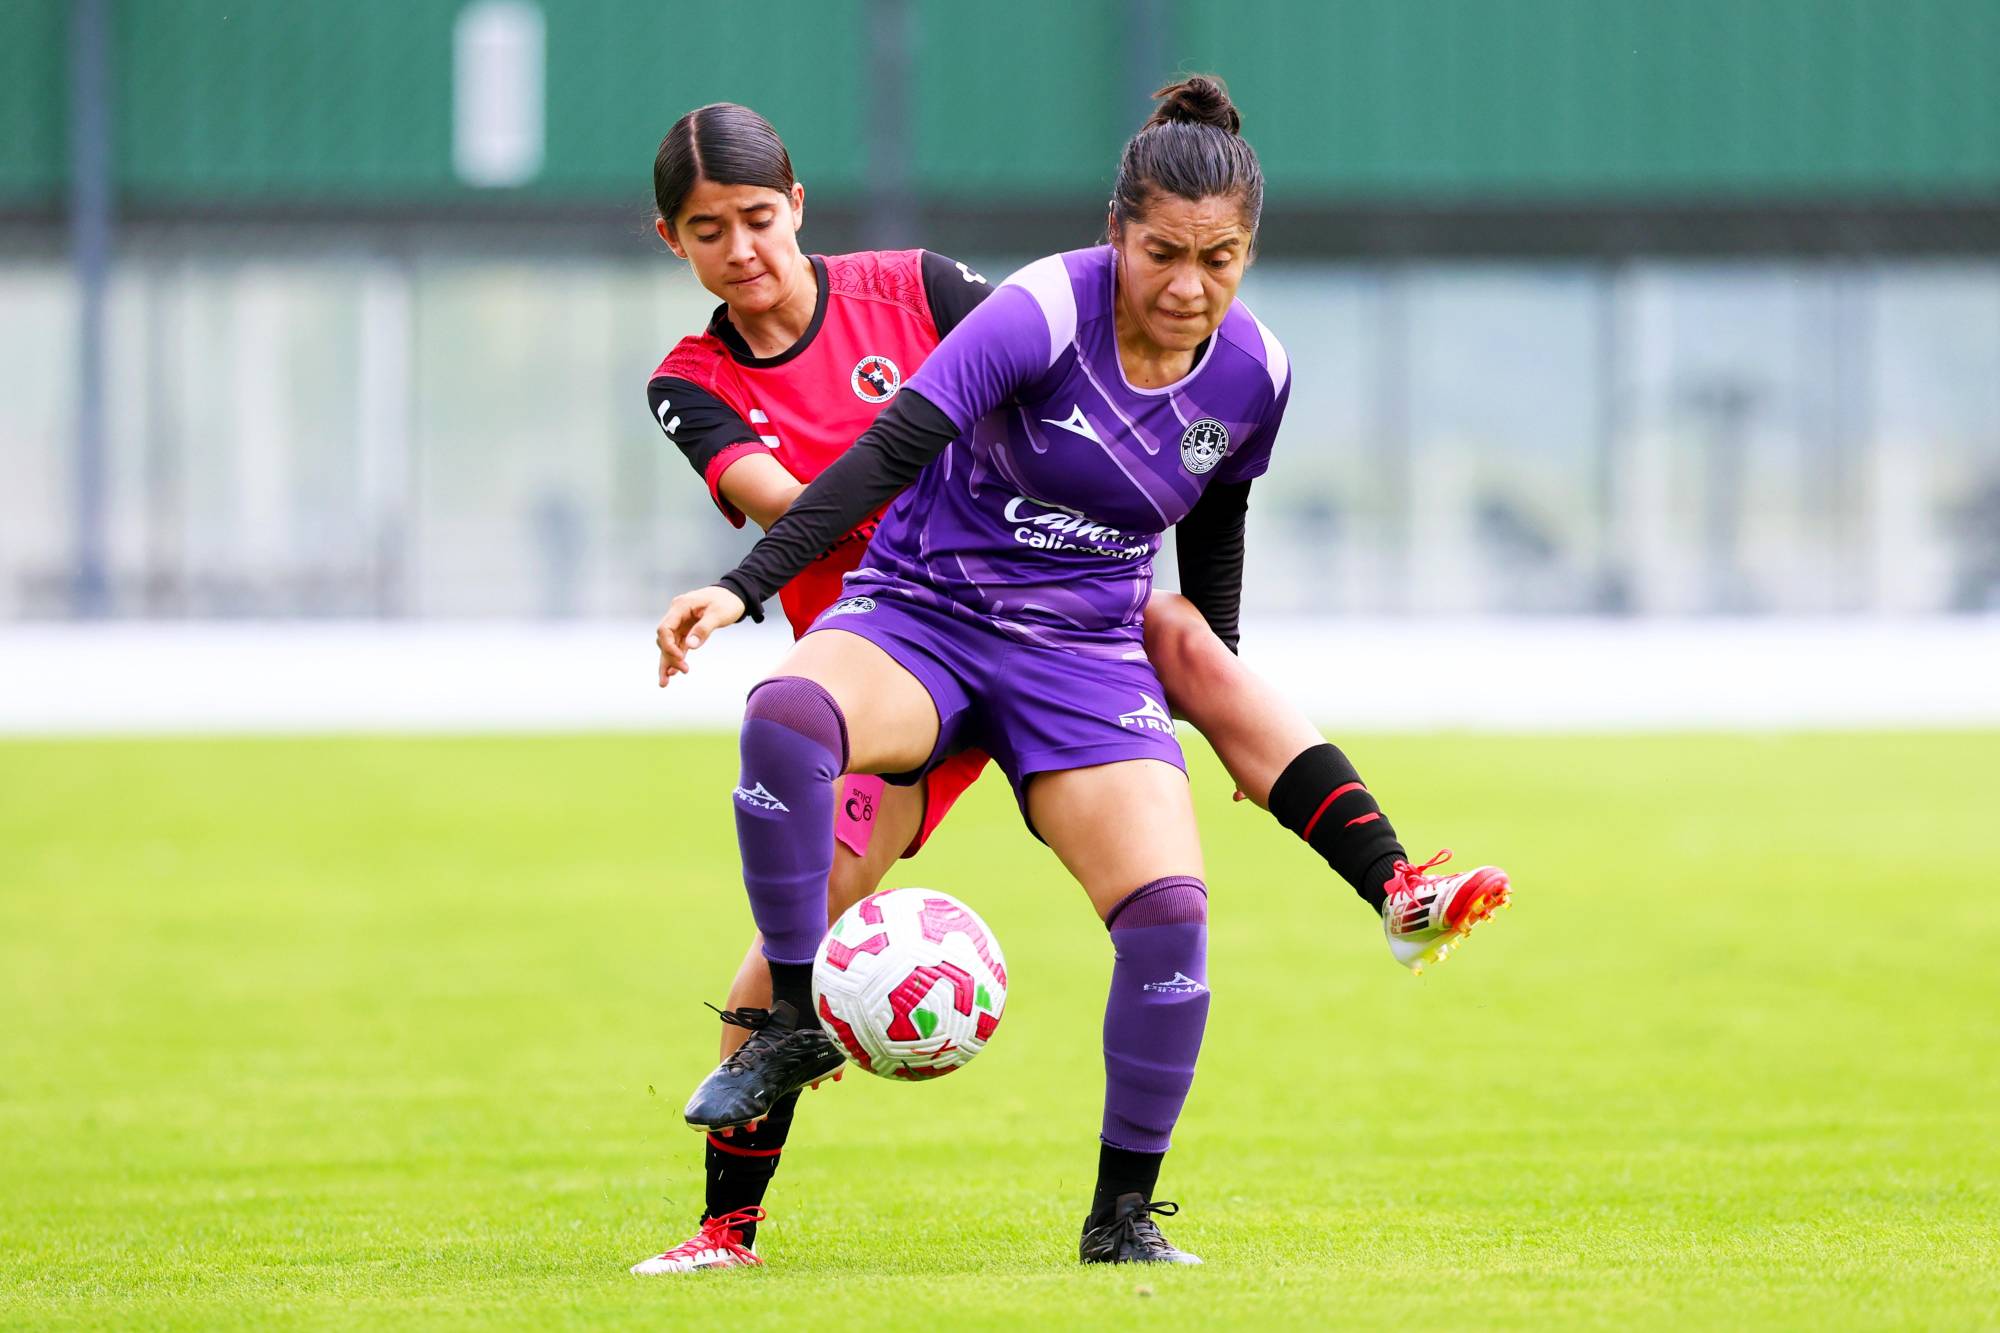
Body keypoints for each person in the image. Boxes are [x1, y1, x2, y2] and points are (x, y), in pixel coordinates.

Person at [645, 79, 1513, 1270]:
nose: (1187, 284)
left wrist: (1204, 691)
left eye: (1220, 258)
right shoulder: (1036, 310)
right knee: (786, 715)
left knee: (1168, 920)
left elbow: (1215, 531)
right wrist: (745, 589)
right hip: (922, 616)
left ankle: (1122, 1220)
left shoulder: (1253, 370)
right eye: (1162, 251)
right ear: (1116, 232)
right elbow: (885, 455)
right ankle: (763, 1108)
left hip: (1079, 655)